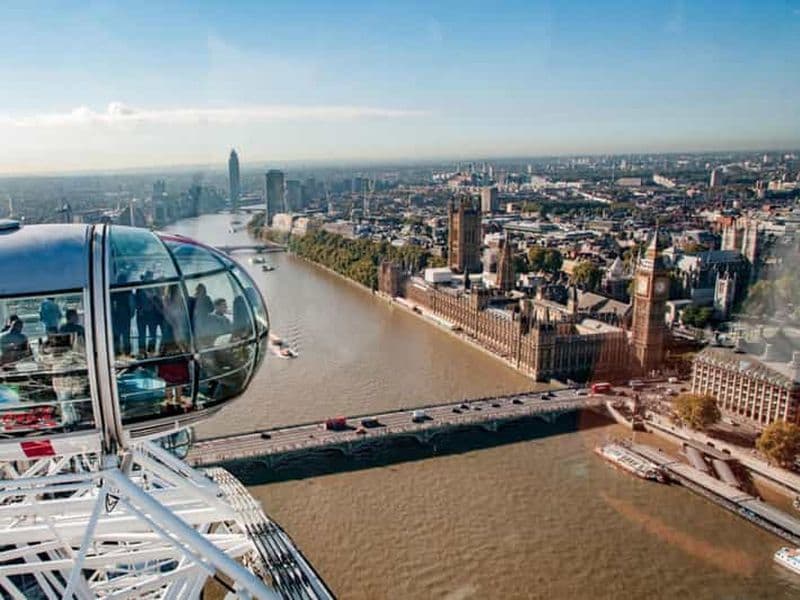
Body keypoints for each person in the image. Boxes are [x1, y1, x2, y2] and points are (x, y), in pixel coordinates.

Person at [111, 276, 135, 356]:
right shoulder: (127, 289)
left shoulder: (114, 289)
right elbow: (131, 301)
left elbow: (111, 303)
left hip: (116, 315)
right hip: (125, 314)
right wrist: (131, 312)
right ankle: (127, 352)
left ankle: (117, 353)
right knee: (126, 335)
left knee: (117, 335)